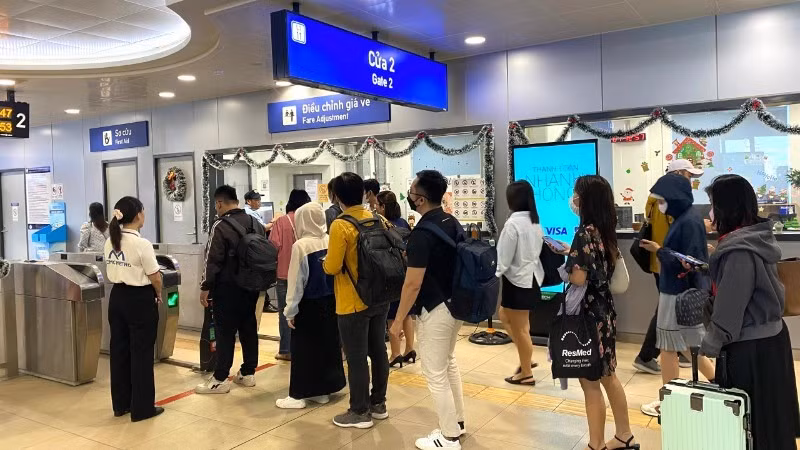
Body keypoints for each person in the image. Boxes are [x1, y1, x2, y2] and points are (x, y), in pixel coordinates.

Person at [701, 174, 799, 449]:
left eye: (712, 204)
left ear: (725, 208)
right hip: (771, 344)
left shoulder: (737, 252)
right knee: (772, 422)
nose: (709, 212)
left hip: (750, 350)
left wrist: (709, 345)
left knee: (753, 426)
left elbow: (730, 311)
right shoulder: (755, 240)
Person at [549, 175, 638, 450]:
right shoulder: (604, 232)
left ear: (584, 200)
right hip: (605, 313)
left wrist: (566, 266)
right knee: (608, 376)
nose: (573, 199)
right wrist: (571, 254)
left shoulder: (584, 233)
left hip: (586, 316)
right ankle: (624, 435)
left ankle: (596, 444)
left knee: (589, 382)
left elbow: (578, 278)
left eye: (576, 193)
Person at [390, 170, 466, 450]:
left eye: (411, 191)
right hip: (455, 304)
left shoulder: (422, 232)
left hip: (435, 309)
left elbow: (412, 284)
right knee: (448, 364)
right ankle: (457, 422)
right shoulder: (451, 221)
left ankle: (448, 437)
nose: (408, 196)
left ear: (420, 199)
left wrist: (398, 321)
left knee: (434, 373)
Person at [638, 173, 715, 417]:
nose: (661, 205)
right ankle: (718, 381)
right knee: (685, 344)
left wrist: (660, 251)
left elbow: (689, 262)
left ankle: (669, 400)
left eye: (663, 200)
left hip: (676, 292)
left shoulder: (687, 221)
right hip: (680, 291)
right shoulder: (688, 217)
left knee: (669, 347)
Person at [324, 172, 390, 429]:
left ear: (337, 196)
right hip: (380, 296)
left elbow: (332, 267)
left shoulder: (341, 224)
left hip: (352, 301)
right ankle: (379, 403)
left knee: (356, 356)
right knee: (378, 351)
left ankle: (359, 411)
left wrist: (325, 264)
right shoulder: (378, 218)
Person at [633, 159, 702, 375]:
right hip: (668, 270)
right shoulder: (668, 207)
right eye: (689, 176)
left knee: (671, 324)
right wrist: (662, 252)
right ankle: (647, 356)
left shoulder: (682, 215)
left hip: (670, 271)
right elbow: (670, 243)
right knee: (667, 320)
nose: (690, 181)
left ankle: (665, 356)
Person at [276, 202, 346, 409]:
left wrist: (290, 310)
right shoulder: (329, 239)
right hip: (331, 301)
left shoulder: (301, 245)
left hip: (308, 304)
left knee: (304, 349)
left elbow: (297, 280)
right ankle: (322, 390)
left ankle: (298, 395)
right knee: (327, 346)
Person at [196, 185, 263, 394]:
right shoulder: (256, 222)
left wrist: (205, 287)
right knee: (249, 327)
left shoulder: (220, 226)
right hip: (251, 286)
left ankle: (220, 378)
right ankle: (248, 373)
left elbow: (212, 260)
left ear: (219, 203)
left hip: (227, 288)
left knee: (225, 332)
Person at [104, 196, 164, 422]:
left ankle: (121, 404)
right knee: (141, 354)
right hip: (139, 299)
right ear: (138, 214)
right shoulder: (142, 244)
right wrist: (158, 294)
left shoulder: (110, 240)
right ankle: (142, 408)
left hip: (117, 298)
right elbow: (155, 277)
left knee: (119, 351)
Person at [495, 180, 544, 386]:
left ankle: (526, 373)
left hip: (516, 282)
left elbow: (504, 257)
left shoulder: (513, 224)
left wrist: (495, 272)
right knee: (506, 315)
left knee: (521, 328)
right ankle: (527, 358)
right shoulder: (534, 222)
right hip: (532, 279)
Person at [269, 189, 311, 361]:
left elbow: (273, 246)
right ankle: (305, 347)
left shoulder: (281, 222)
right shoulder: (308, 221)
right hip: (306, 274)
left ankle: (286, 350)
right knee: (305, 311)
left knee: (285, 313)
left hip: (284, 275)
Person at [376, 191, 414, 368]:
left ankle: (396, 353)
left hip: (390, 274)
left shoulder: (381, 225)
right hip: (406, 273)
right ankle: (410, 350)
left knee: (392, 315)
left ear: (383, 206)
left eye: (377, 205)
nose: (374, 208)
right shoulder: (403, 223)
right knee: (406, 313)